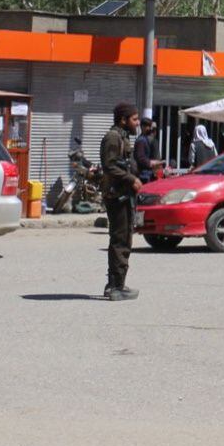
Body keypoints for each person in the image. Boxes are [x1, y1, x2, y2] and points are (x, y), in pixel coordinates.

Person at [101, 103, 143, 300]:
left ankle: (119, 283)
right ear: (123, 120)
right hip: (116, 195)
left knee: (125, 238)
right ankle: (114, 286)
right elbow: (109, 166)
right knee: (119, 240)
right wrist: (131, 179)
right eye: (134, 119)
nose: (138, 123)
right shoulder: (113, 137)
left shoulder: (122, 137)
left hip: (124, 195)